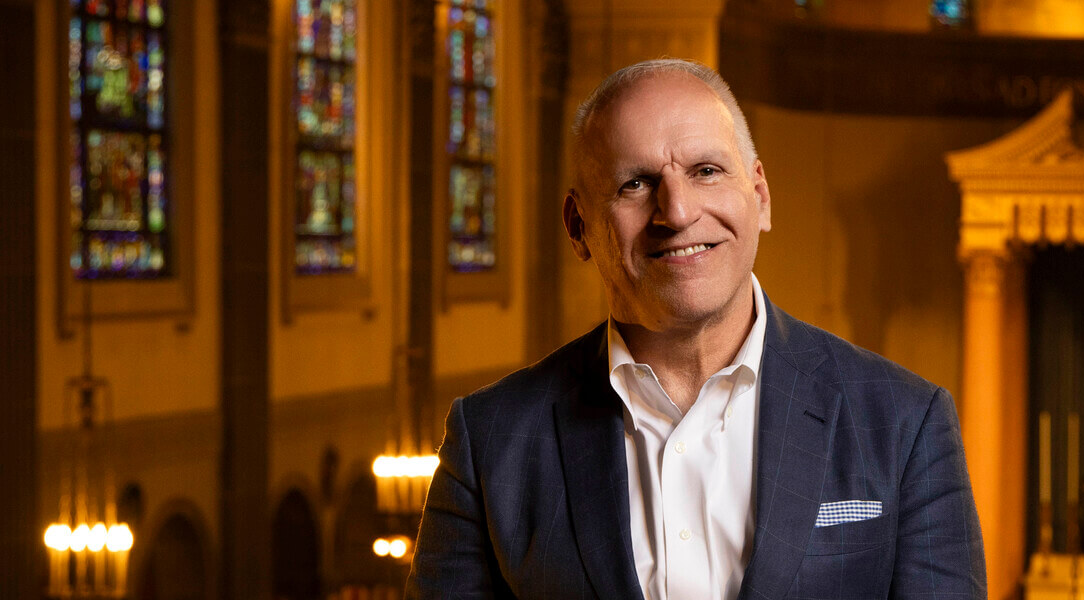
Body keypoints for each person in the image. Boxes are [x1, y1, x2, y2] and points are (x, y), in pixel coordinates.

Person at [405, 59, 985, 599]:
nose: (677, 211)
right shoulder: (488, 444)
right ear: (578, 226)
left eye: (706, 171)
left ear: (759, 195)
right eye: (635, 183)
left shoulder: (907, 423)